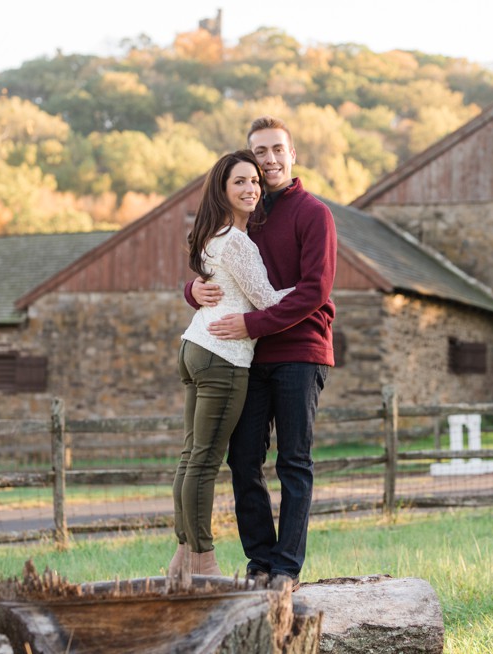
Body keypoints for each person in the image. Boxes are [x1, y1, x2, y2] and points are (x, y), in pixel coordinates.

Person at [184, 115, 337, 589]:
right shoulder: (245, 213)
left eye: (277, 150)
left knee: (293, 460)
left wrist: (253, 321)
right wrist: (192, 290)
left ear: (292, 156)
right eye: (260, 152)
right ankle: (259, 560)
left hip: (300, 351)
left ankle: (286, 568)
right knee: (243, 459)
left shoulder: (314, 214)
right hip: (245, 357)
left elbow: (314, 290)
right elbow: (217, 265)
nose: (269, 160)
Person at [168, 150, 295, 580]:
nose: (251, 189)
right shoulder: (237, 241)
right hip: (223, 358)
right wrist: (315, 290)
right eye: (240, 182)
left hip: (196, 348)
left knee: (191, 457)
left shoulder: (213, 235)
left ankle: (183, 557)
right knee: (204, 460)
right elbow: (267, 300)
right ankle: (203, 560)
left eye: (255, 182)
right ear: (222, 190)